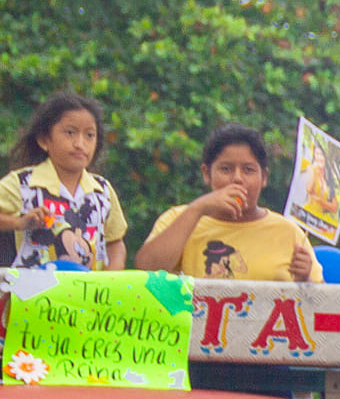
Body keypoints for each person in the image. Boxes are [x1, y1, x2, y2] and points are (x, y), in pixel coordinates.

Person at [133, 124, 320, 283]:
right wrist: (198, 209)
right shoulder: (181, 218)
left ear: (264, 177)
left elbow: (322, 304)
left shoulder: (289, 232)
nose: (237, 178)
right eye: (226, 169)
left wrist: (305, 280)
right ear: (206, 174)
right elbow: (145, 273)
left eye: (248, 170)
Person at [0, 92, 127, 270]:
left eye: (89, 135)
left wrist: (112, 278)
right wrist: (19, 223)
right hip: (34, 287)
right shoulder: (23, 184)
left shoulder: (102, 190)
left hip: (89, 288)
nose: (80, 144)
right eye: (70, 133)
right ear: (44, 140)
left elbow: (115, 243)